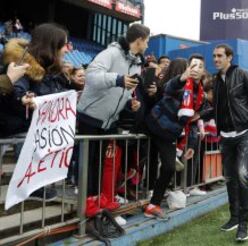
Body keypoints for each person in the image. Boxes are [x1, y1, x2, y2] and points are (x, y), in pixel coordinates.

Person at [76, 24, 149, 213]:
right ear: (139, 40)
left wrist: (129, 104)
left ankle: (97, 201)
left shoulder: (138, 63)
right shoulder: (111, 53)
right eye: (147, 41)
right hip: (89, 116)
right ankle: (86, 203)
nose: (147, 45)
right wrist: (117, 79)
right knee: (88, 163)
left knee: (100, 163)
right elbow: (91, 76)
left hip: (110, 121)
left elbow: (122, 93)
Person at [2, 23, 71, 200]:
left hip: (24, 127)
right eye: (64, 45)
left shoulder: (53, 70)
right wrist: (23, 99)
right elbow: (16, 88)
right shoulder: (21, 63)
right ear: (51, 45)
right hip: (9, 127)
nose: (67, 49)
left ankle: (32, 186)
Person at [212, 44, 248, 242]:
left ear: (229, 57)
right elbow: (216, 108)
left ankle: (244, 225)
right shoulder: (216, 80)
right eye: (214, 56)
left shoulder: (243, 74)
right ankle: (234, 218)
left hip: (245, 132)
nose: (216, 59)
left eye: (219, 56)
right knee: (229, 177)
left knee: (243, 175)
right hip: (225, 136)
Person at [144, 54, 208, 220]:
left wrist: (192, 145)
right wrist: (182, 77)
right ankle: (144, 198)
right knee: (144, 161)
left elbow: (192, 121)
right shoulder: (180, 83)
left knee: (169, 167)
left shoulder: (200, 94)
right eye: (193, 66)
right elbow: (167, 88)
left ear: (203, 72)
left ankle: (152, 204)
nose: (196, 70)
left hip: (170, 133)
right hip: (154, 125)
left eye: (200, 67)